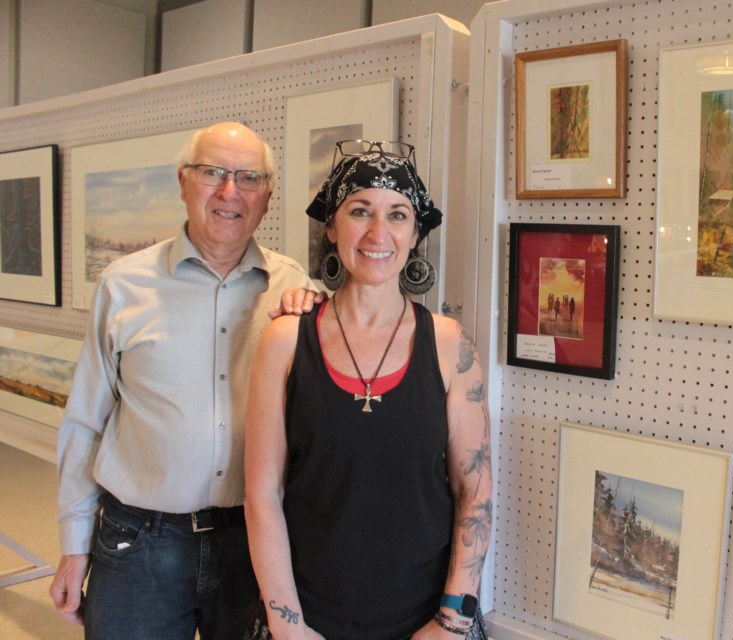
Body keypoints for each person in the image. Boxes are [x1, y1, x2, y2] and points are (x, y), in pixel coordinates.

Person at [49, 122, 315, 640]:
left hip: (254, 542)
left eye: (248, 178)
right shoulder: (124, 285)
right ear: (183, 182)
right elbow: (85, 424)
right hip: (139, 543)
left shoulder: (296, 290)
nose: (229, 192)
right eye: (212, 172)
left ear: (268, 195)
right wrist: (73, 546)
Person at [244, 140, 492, 640]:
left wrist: (452, 618)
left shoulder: (448, 344)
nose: (379, 233)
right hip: (309, 620)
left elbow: (475, 492)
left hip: (427, 622)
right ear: (332, 228)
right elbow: (262, 495)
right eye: (361, 211)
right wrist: (286, 623)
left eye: (398, 215)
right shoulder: (286, 338)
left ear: (416, 233)